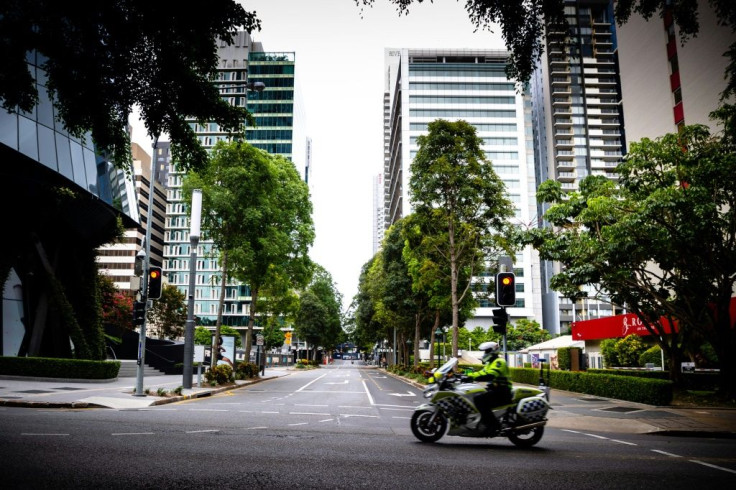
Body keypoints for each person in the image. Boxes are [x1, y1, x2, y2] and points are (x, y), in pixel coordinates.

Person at [462, 341, 512, 431]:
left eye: (486, 351)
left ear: (493, 351)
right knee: (476, 394)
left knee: (479, 399)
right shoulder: (490, 363)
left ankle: (493, 425)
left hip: (502, 391)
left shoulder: (499, 362)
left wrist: (473, 378)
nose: (485, 353)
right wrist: (468, 376)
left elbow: (491, 375)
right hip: (495, 390)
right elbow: (482, 372)